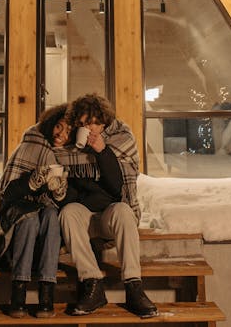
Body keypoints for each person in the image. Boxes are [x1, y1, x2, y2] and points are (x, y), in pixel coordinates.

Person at [55, 93, 158, 318]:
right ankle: (92, 284)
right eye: (81, 124)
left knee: (122, 210)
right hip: (86, 215)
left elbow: (117, 188)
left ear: (103, 122)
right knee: (69, 212)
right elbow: (71, 192)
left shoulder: (121, 138)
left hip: (112, 215)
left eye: (92, 122)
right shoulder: (69, 148)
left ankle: (134, 287)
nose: (87, 128)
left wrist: (102, 152)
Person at [0, 104, 71, 318]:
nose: (61, 135)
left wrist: (59, 191)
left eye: (68, 132)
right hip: (18, 208)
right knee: (29, 221)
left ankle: (47, 295)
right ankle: (17, 294)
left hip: (44, 210)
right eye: (59, 127)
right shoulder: (31, 142)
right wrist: (33, 181)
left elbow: (64, 202)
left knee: (51, 217)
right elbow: (7, 192)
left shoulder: (69, 155)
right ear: (50, 124)